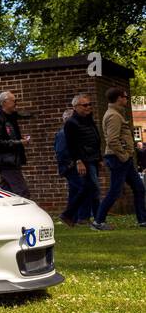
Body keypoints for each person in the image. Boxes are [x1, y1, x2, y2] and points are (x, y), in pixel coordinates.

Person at [92, 88, 146, 230]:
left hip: (122, 159)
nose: (127, 99)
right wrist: (124, 156)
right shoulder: (113, 116)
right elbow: (112, 140)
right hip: (117, 158)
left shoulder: (116, 113)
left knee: (139, 188)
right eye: (125, 97)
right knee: (115, 191)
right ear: (119, 98)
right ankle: (98, 222)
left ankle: (142, 220)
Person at [59, 93, 103, 227]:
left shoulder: (89, 120)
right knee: (92, 188)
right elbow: (72, 145)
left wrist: (99, 158)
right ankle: (98, 220)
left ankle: (69, 215)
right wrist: (78, 161)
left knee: (88, 188)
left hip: (93, 158)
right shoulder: (71, 123)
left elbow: (96, 139)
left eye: (90, 104)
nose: (88, 107)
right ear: (76, 107)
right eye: (85, 105)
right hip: (85, 160)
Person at [0, 90, 31, 197]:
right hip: (5, 161)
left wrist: (20, 139)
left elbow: (10, 136)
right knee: (23, 192)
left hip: (11, 159)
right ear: (4, 102)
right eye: (13, 101)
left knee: (5, 191)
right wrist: (19, 142)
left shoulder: (9, 117)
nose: (16, 103)